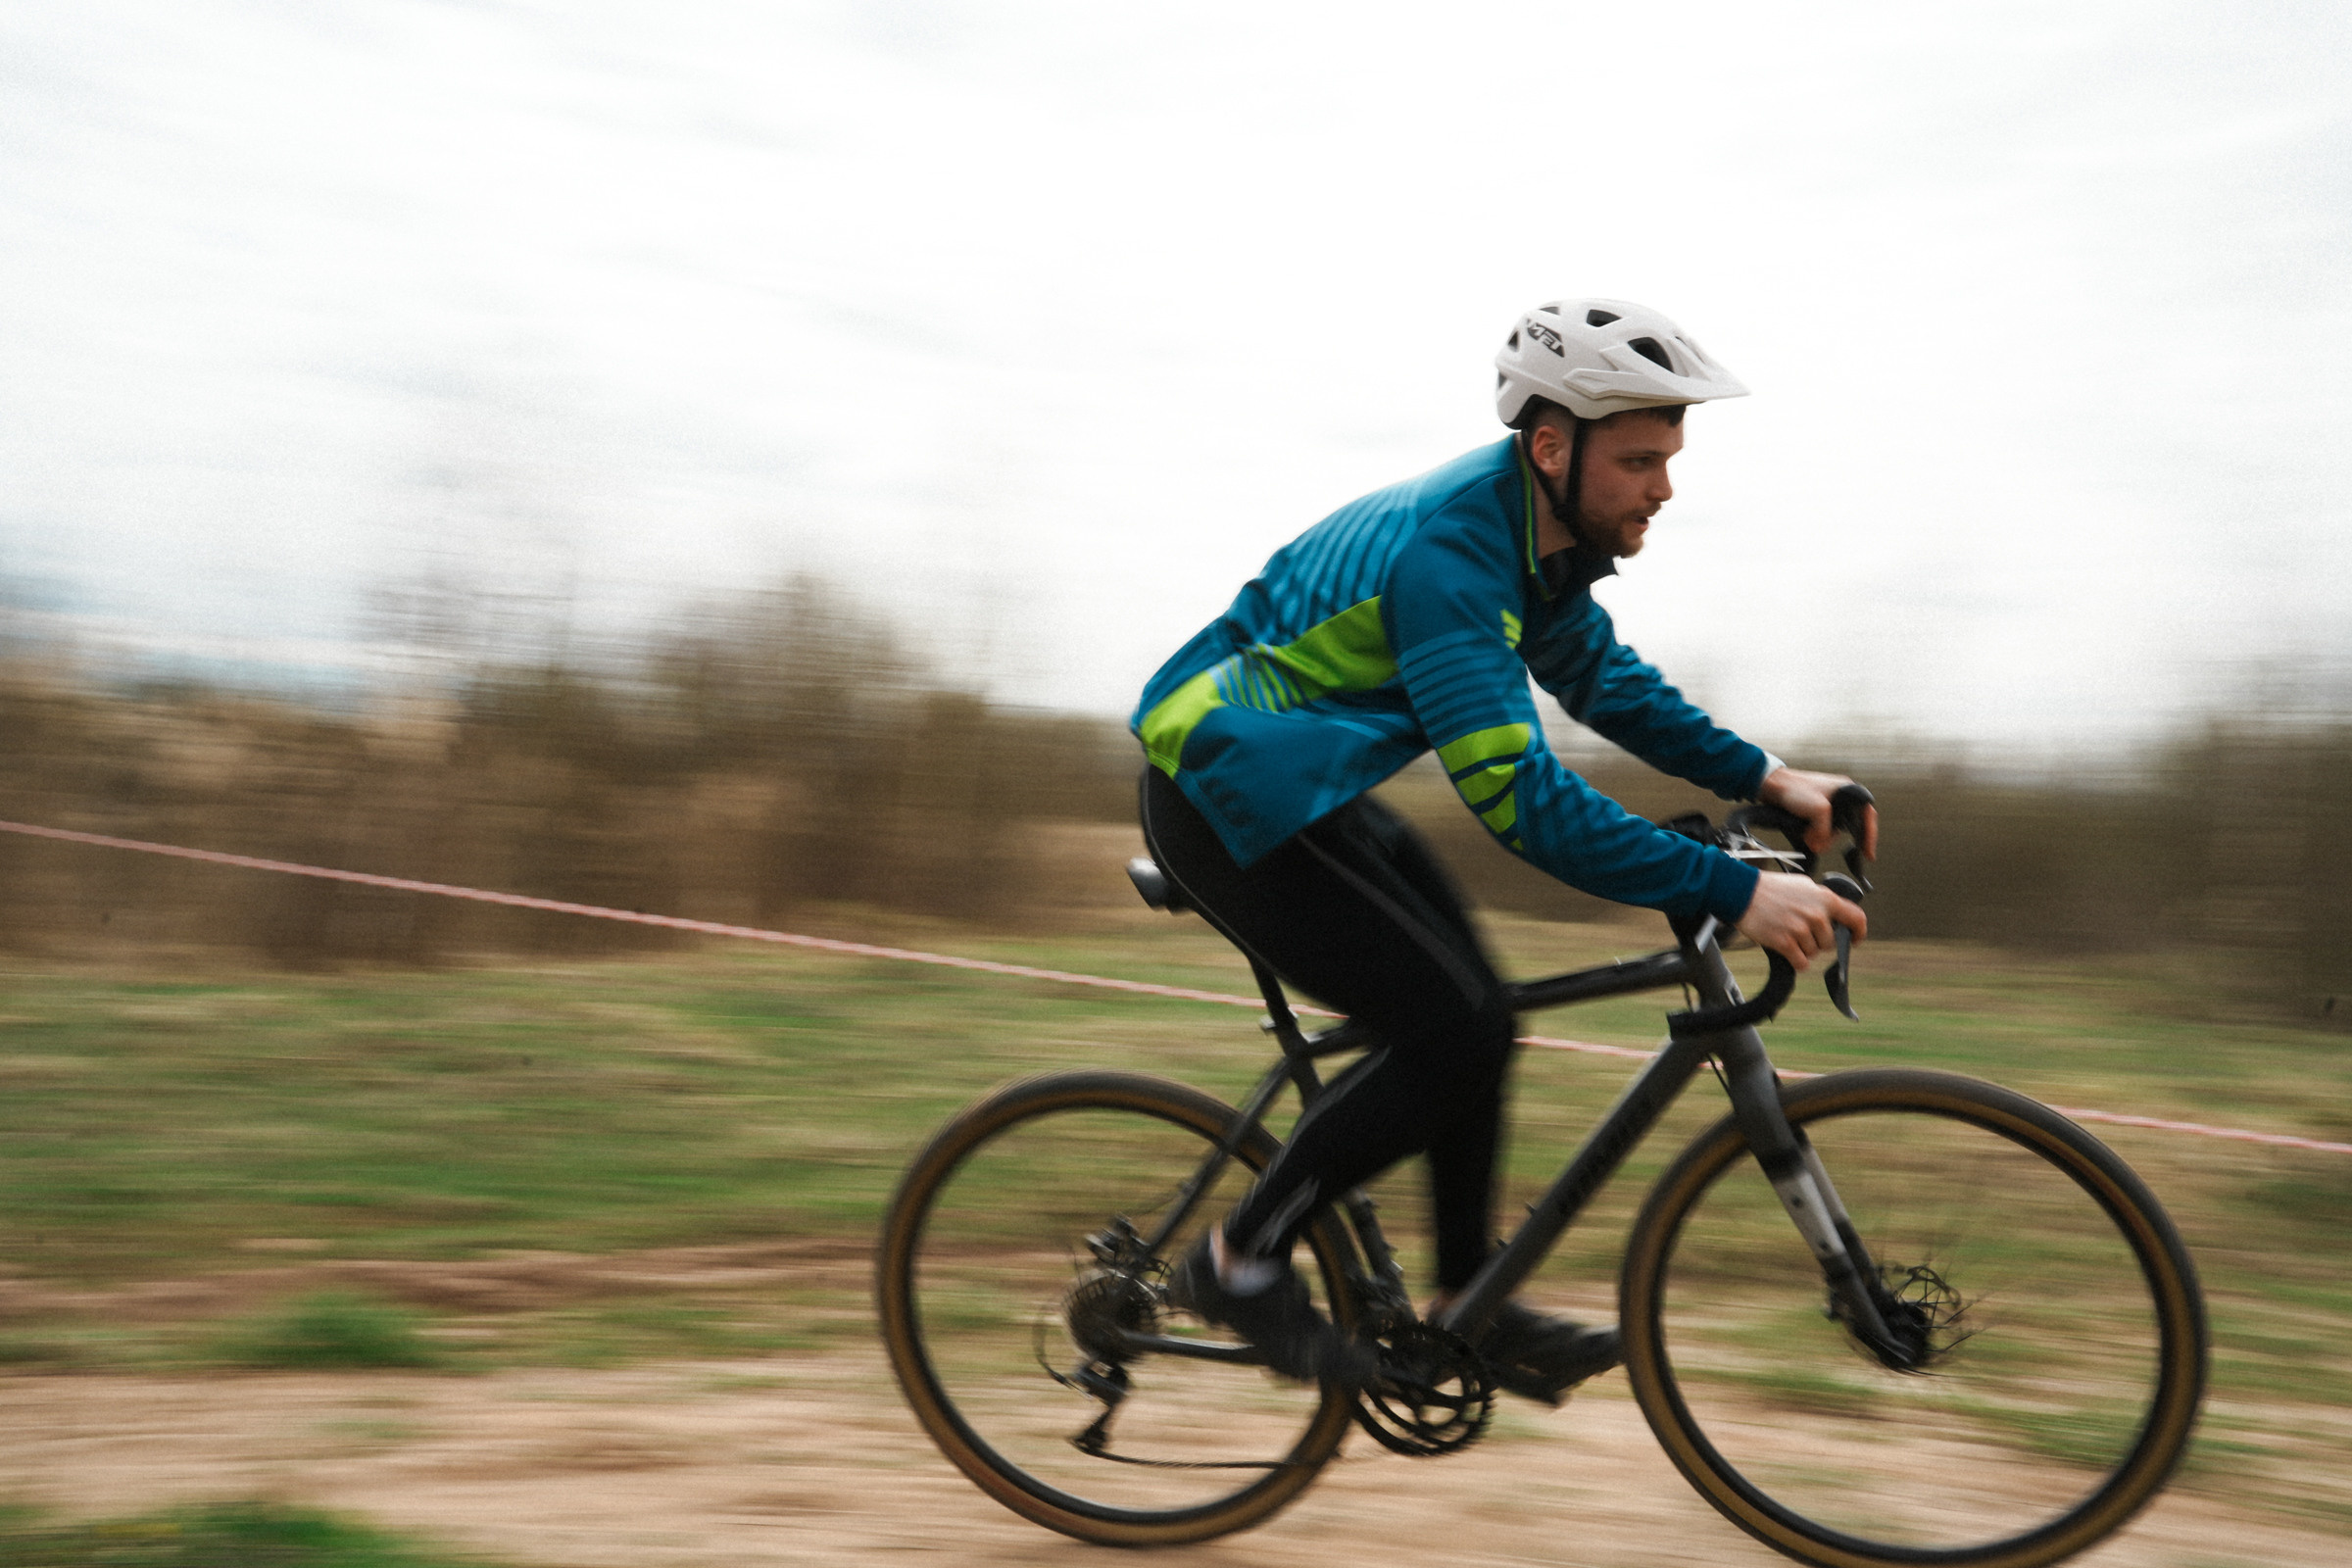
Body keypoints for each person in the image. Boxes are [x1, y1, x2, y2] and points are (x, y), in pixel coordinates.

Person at [1129, 298, 1874, 1402]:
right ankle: (1238, 1262)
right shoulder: (1457, 554)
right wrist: (1728, 889)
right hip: (1220, 789)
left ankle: (1465, 1294)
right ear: (1551, 447)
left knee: (1479, 1016)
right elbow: (1518, 797)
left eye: (1668, 457)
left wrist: (1765, 778)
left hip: (1308, 783)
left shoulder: (1539, 540)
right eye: (1638, 460)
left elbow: (1605, 683)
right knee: (1455, 1024)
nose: (1663, 486)